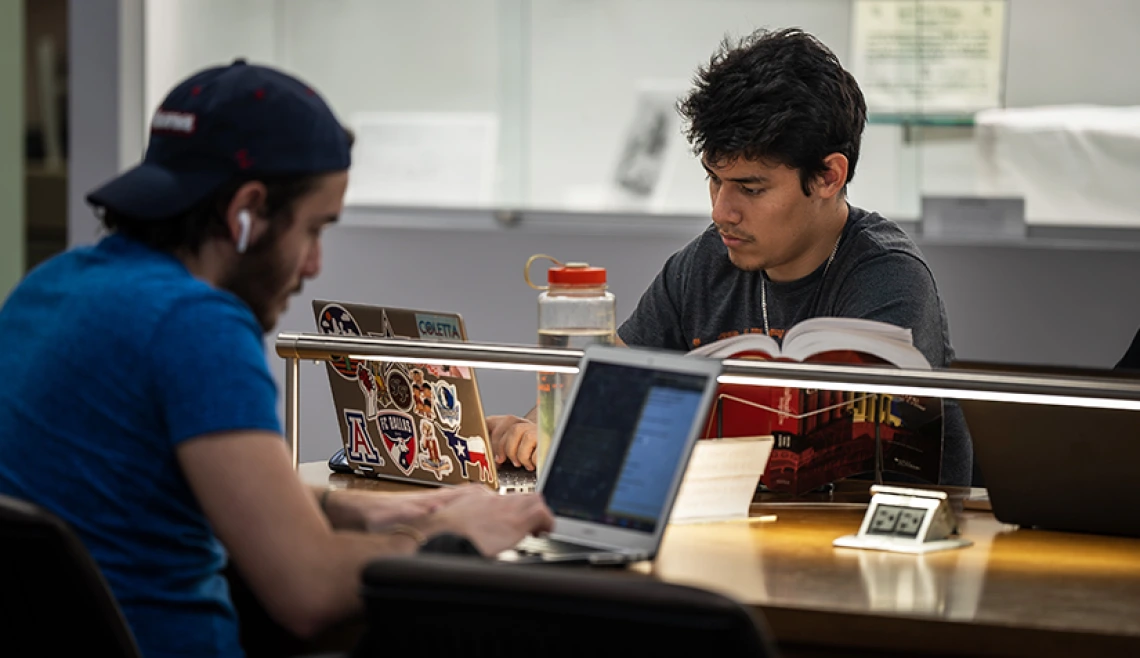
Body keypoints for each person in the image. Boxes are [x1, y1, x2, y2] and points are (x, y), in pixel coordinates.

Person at [0, 61, 553, 658]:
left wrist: (342, 509)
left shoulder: (49, 288)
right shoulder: (195, 325)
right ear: (247, 211)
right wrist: (447, 536)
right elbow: (309, 592)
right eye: (314, 229)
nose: (314, 264)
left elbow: (161, 492)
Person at [489, 28, 972, 486]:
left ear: (829, 176)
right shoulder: (702, 265)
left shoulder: (887, 278)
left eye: (750, 188)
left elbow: (871, 467)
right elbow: (611, 384)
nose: (722, 211)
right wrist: (536, 432)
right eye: (714, 179)